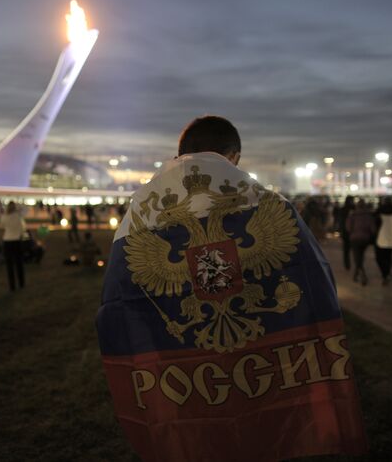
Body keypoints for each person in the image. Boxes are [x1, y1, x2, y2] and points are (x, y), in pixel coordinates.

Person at [96, 115, 366, 461]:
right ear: (233, 156)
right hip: (260, 362)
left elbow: (120, 301)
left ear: (180, 153)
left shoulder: (138, 216)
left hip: (189, 373)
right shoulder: (271, 204)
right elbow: (313, 277)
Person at [345, 199, 376, 285]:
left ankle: (363, 275)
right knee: (360, 257)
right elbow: (373, 229)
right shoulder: (369, 216)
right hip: (365, 239)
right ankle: (356, 274)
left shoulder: (352, 215)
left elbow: (348, 228)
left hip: (354, 239)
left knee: (357, 257)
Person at [374, 196, 392, 285]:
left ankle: (385, 274)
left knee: (380, 258)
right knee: (388, 257)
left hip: (381, 238)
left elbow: (375, 225)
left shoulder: (379, 211)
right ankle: (387, 273)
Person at [0, 201, 25, 291]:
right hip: (17, 241)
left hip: (7, 241)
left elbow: (3, 225)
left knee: (9, 265)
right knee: (19, 264)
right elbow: (23, 229)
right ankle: (21, 283)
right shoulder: (18, 217)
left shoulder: (4, 217)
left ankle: (12, 286)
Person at [337, 196, 355, 270]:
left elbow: (340, 222)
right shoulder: (354, 209)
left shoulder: (343, 209)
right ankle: (356, 265)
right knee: (353, 250)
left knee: (346, 250)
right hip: (352, 232)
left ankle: (347, 265)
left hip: (345, 232)